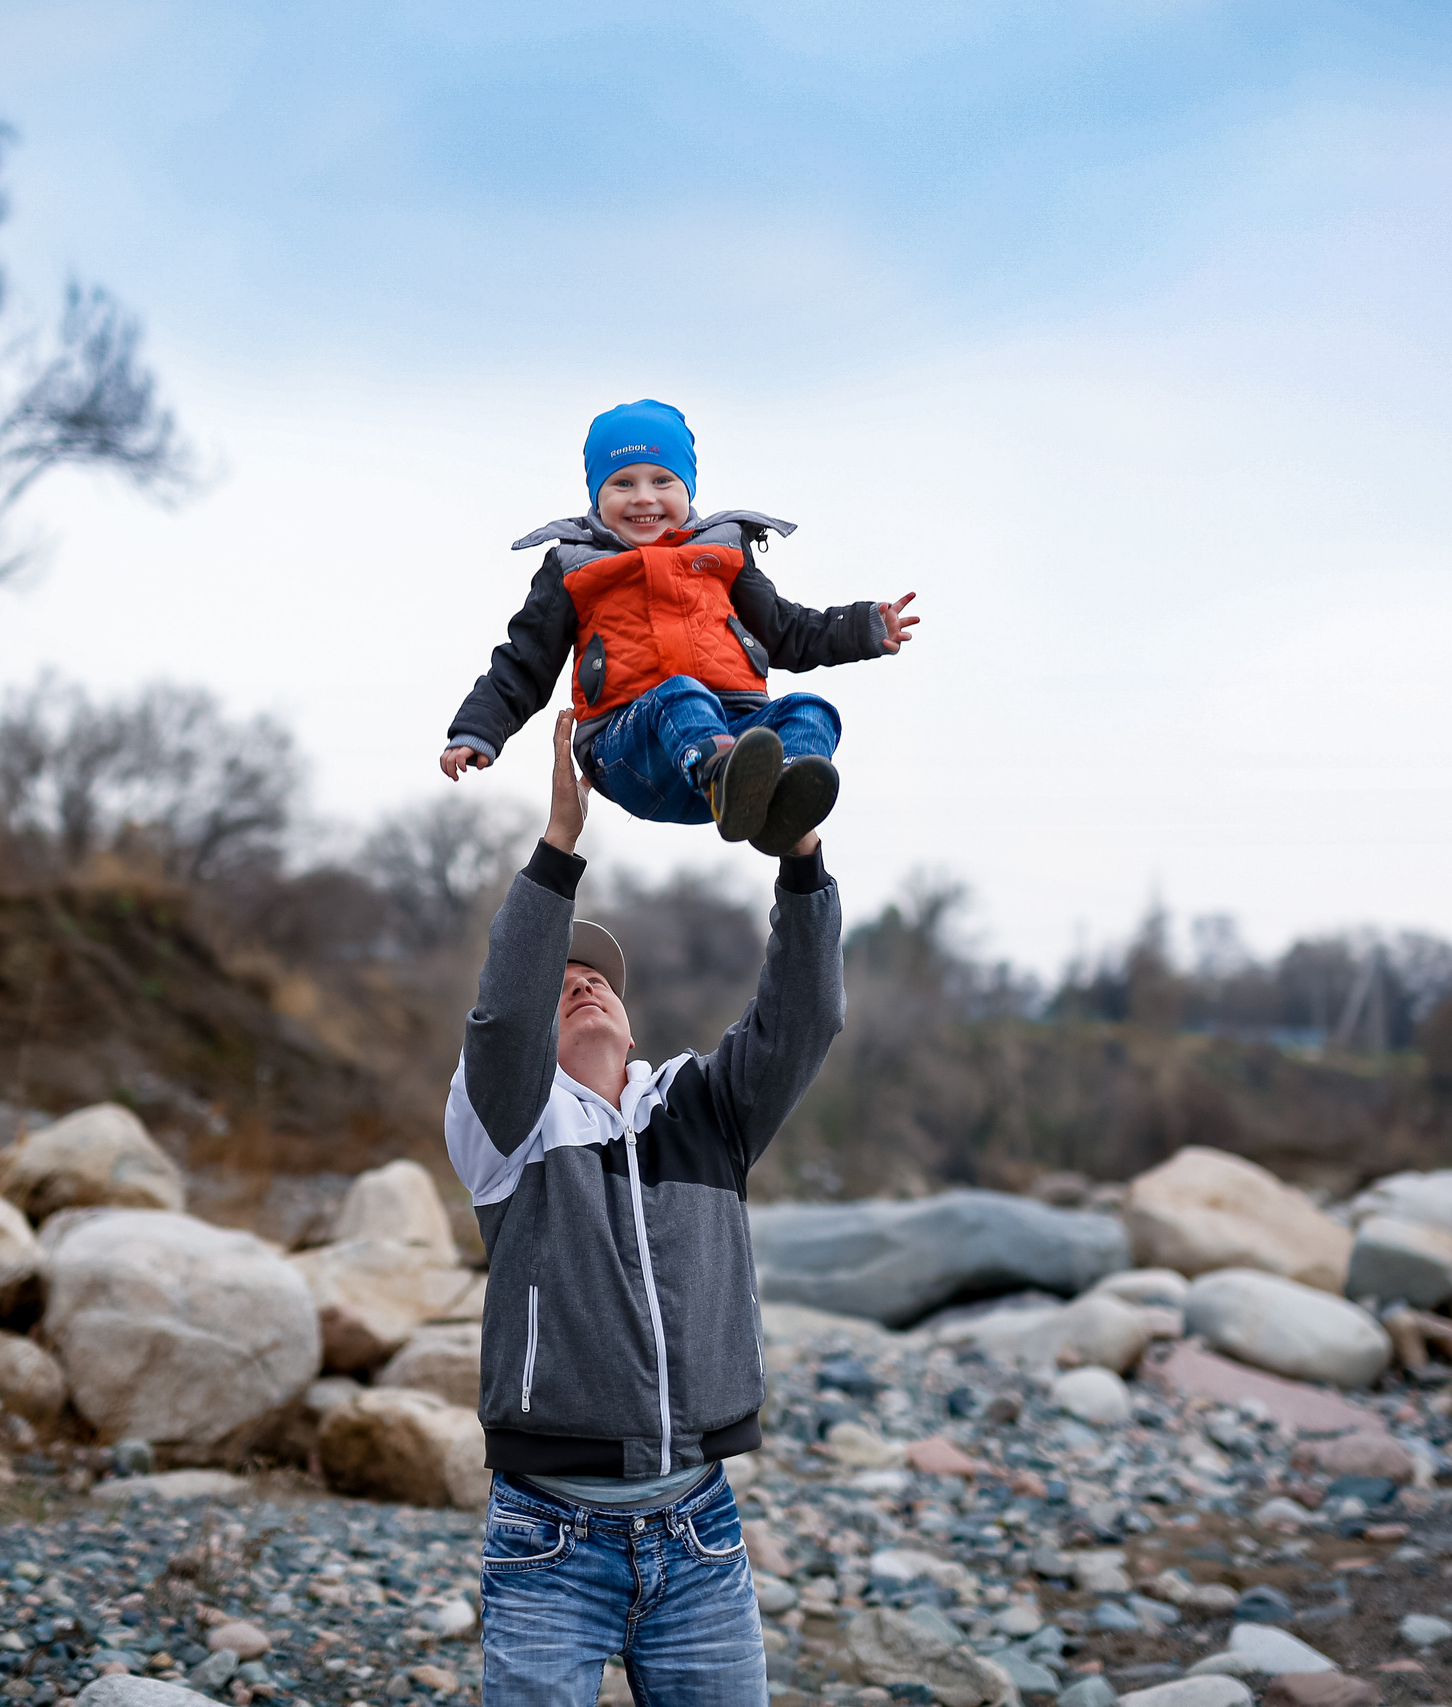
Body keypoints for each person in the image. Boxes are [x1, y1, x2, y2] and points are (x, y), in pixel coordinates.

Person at [443, 709, 846, 1706]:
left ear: (631, 1018)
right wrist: (557, 849)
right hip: (548, 1545)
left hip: (700, 1531)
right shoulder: (508, 1133)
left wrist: (799, 855)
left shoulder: (706, 1107)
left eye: (598, 982)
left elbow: (805, 1017)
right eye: (561, 983)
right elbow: (499, 1020)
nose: (580, 987)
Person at [440, 398, 918, 853]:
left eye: (662, 481)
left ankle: (778, 792)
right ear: (596, 495)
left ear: (687, 487)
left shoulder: (722, 551)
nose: (643, 497)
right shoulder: (574, 564)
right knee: (679, 692)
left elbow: (786, 630)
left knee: (812, 711)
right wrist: (477, 731)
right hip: (630, 748)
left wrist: (863, 628)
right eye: (622, 484)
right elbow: (523, 664)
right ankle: (721, 775)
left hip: (735, 727)